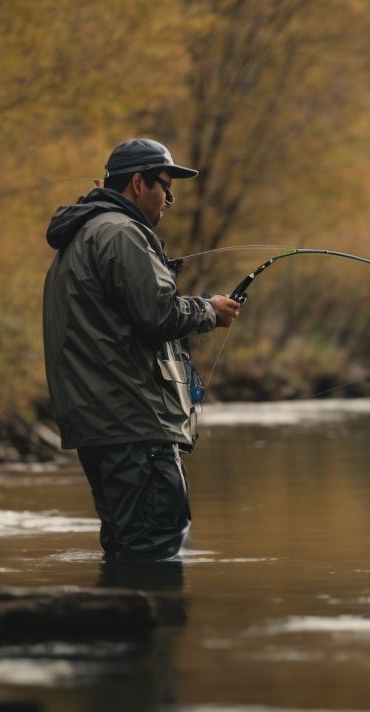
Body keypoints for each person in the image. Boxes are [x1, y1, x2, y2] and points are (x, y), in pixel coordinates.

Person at [43, 138, 241, 560]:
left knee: (126, 544)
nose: (169, 198)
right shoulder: (122, 233)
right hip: (133, 421)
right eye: (165, 186)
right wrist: (209, 311)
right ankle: (153, 623)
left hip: (101, 422)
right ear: (137, 183)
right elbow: (159, 316)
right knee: (155, 543)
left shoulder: (82, 237)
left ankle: (121, 621)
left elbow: (129, 317)